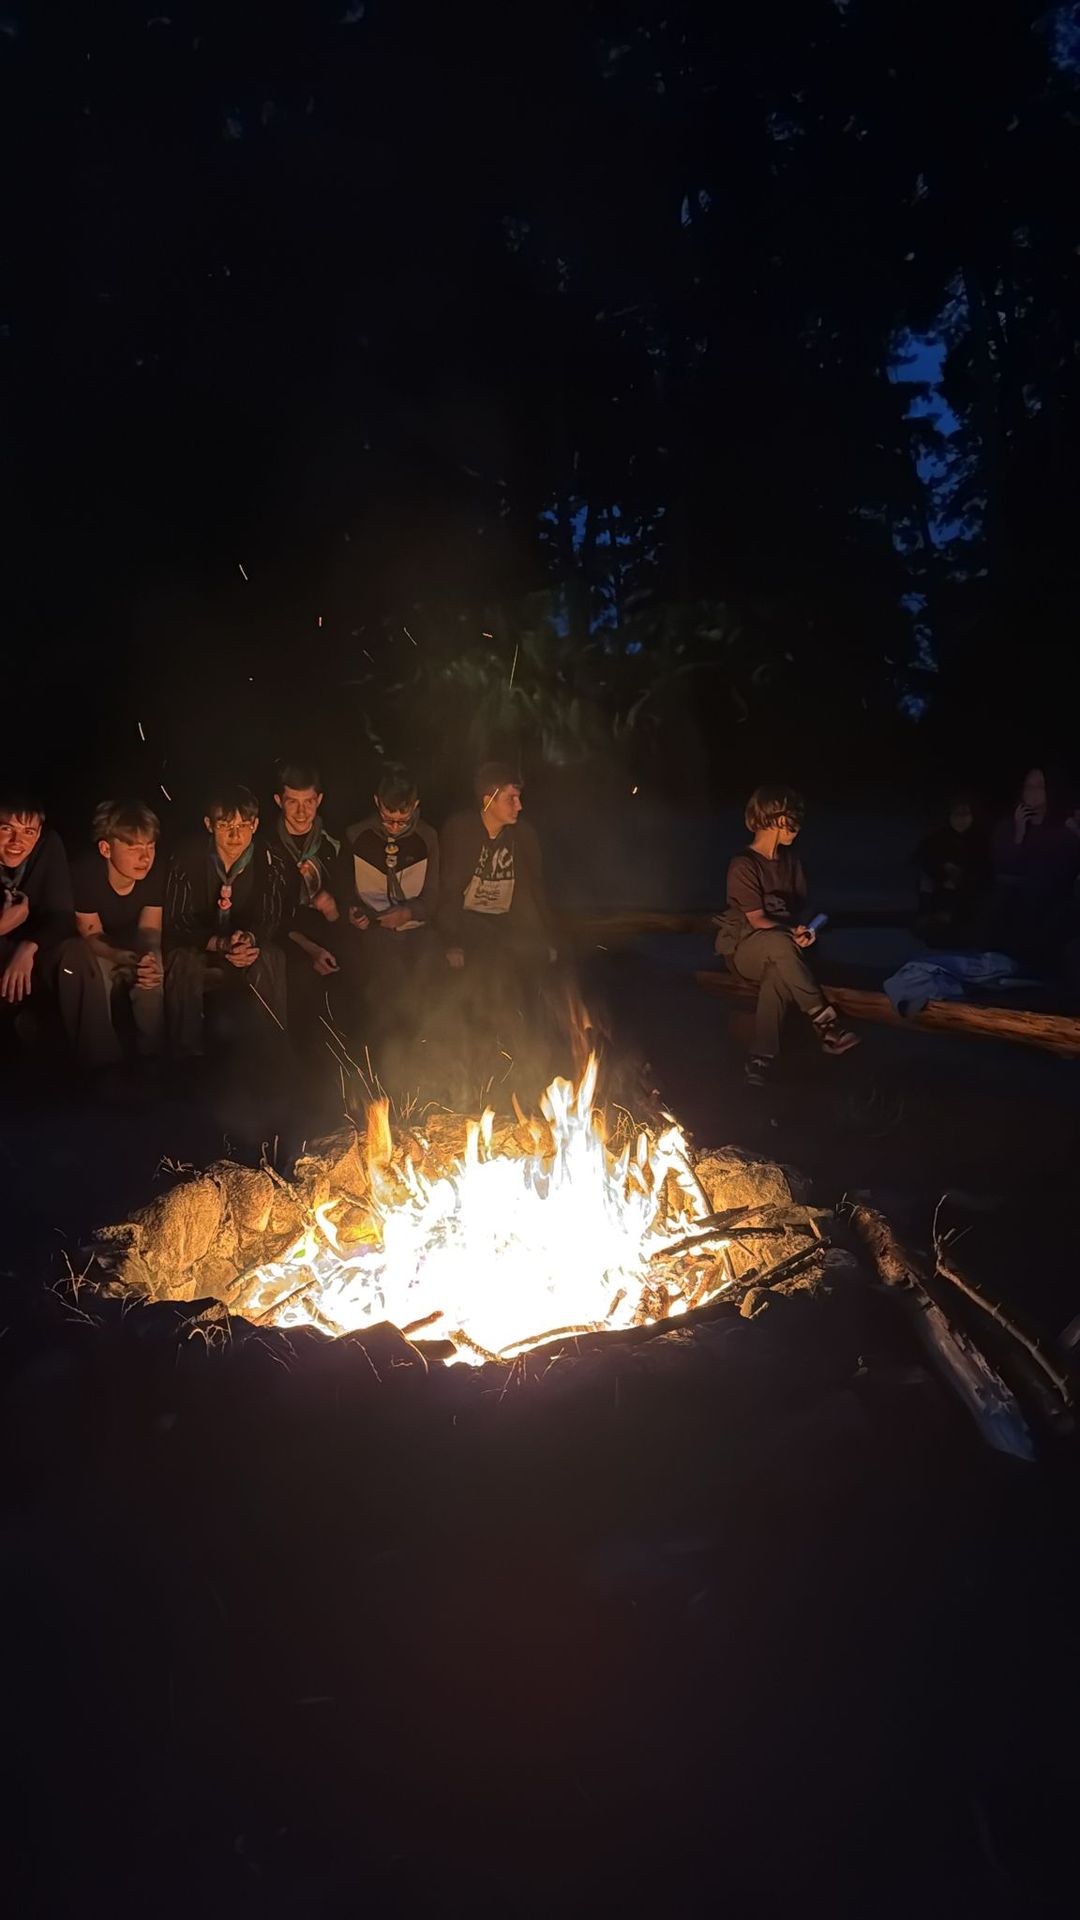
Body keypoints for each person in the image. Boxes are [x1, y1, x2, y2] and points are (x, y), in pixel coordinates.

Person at [714, 784, 859, 1085]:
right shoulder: (744, 864)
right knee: (779, 944)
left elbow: (801, 910)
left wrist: (806, 930)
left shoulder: (792, 862)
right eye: (794, 818)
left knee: (778, 975)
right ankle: (825, 1023)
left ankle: (761, 1058)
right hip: (746, 949)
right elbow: (757, 919)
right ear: (779, 819)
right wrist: (790, 932)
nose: (798, 826)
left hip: (784, 949)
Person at [164, 783, 290, 1057]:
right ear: (209, 825)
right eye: (225, 826)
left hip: (245, 948)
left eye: (243, 825)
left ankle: (271, 1054)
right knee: (182, 961)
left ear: (255, 825)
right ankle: (184, 1055)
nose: (236, 835)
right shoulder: (187, 858)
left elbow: (270, 916)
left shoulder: (269, 860)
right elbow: (178, 919)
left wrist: (249, 940)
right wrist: (219, 943)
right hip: (202, 945)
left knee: (272, 957)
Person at [58, 798, 165, 1071]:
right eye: (133, 847)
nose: (145, 857)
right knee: (98, 973)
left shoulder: (154, 872)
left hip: (131, 943)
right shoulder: (85, 873)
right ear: (106, 848)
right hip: (95, 947)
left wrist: (147, 957)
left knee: (152, 972)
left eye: (150, 846)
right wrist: (120, 956)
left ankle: (153, 1057)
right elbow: (91, 934)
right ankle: (101, 1064)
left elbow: (150, 929)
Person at [344, 764, 439, 1057]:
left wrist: (409, 913)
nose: (395, 827)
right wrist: (354, 913)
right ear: (377, 802)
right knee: (387, 974)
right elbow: (345, 892)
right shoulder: (357, 835)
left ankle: (426, 1049)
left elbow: (434, 896)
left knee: (428, 967)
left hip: (416, 928)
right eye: (388, 819)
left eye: (402, 820)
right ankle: (385, 1052)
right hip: (375, 930)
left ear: (415, 806)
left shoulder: (427, 837)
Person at [273, 760, 359, 1036]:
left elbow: (346, 901)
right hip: (286, 935)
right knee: (300, 977)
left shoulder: (333, 843)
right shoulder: (267, 847)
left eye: (308, 802)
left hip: (327, 930)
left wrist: (333, 909)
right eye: (293, 802)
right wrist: (311, 949)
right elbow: (268, 914)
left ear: (319, 800)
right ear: (279, 801)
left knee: (355, 963)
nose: (302, 812)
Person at [988, 766, 1080, 967]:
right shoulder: (1007, 825)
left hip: (1051, 898)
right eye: (1028, 786)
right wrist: (1019, 833)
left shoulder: (1062, 828)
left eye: (1039, 787)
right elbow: (1003, 866)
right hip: (1016, 896)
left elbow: (1067, 867)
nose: (1033, 792)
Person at [0, 794, 73, 1044]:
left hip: (30, 954)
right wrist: (5, 924)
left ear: (39, 833)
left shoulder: (47, 847)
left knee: (75, 954)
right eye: (6, 829)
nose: (16, 842)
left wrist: (28, 946)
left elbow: (62, 915)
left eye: (28, 832)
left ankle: (99, 1058)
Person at [912, 792, 990, 945]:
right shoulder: (937, 837)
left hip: (969, 894)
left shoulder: (981, 840)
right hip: (941, 891)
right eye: (956, 814)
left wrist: (962, 877)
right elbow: (924, 859)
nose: (961, 819)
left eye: (965, 814)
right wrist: (944, 871)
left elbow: (983, 869)